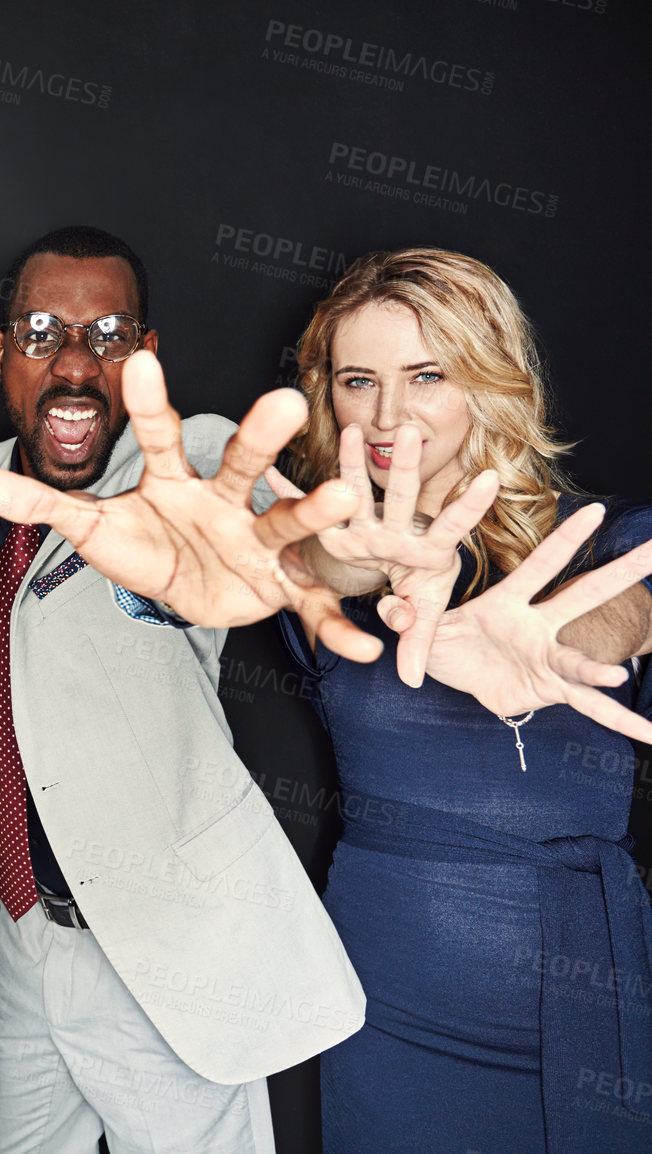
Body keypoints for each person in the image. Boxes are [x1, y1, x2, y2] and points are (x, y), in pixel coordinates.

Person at [0, 226, 375, 1154]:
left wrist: (333, 557)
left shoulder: (191, 470)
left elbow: (284, 540)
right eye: (42, 332)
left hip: (158, 951)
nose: (73, 365)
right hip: (19, 940)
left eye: (108, 337)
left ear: (144, 359)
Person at [262, 248, 652, 1153]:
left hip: (583, 984)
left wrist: (563, 638)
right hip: (389, 994)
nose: (390, 415)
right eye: (360, 380)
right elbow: (300, 563)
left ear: (490, 376)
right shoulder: (324, 564)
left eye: (426, 375)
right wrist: (361, 555)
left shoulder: (607, 538)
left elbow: (633, 608)